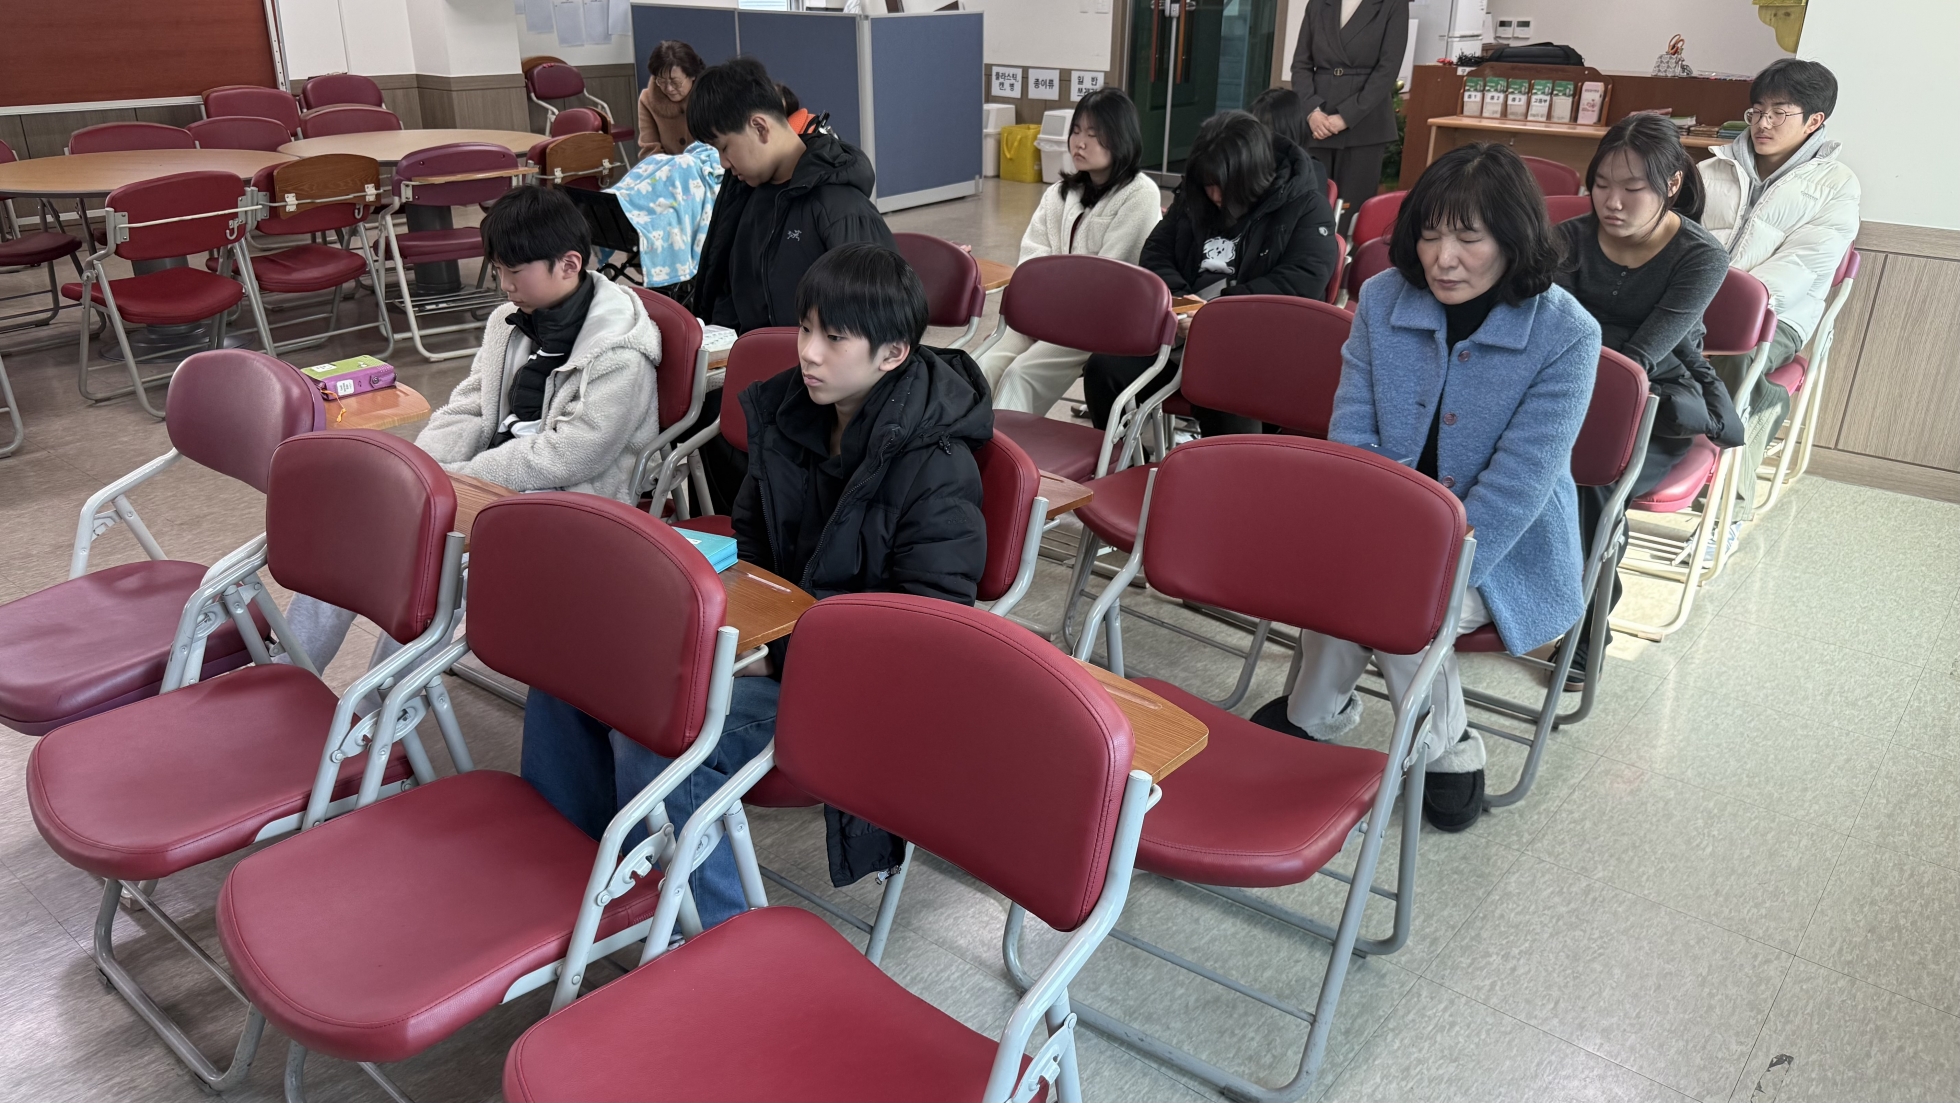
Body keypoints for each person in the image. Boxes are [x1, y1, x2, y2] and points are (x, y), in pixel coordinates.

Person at [521, 243, 991, 927]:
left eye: (834, 339)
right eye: (806, 329)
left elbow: (926, 628)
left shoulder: (938, 468)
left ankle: (718, 934)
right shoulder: (789, 412)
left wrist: (778, 649)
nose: (809, 353)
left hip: (855, 682)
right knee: (572, 673)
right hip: (772, 643)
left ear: (891, 354)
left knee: (659, 734)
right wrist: (727, 628)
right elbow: (754, 549)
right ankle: (586, 880)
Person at [1247, 142, 1599, 832]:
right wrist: (1382, 539)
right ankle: (1435, 740)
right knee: (1348, 583)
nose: (1444, 258)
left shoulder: (1566, 333)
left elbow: (1520, 485)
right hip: (1382, 520)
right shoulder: (1383, 299)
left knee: (1403, 604)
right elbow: (1352, 432)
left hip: (1507, 543)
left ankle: (1342, 721)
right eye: (1431, 235)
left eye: (1469, 238)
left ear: (1514, 240)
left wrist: (1427, 566)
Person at [283, 186, 663, 669]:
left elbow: (570, 455)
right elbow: (468, 405)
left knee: (434, 565)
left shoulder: (621, 353)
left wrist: (460, 480)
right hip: (488, 479)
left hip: (570, 499)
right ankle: (286, 677)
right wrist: (427, 471)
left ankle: (382, 703)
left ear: (568, 265)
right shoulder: (509, 321)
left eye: (514, 272)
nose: (504, 285)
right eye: (498, 269)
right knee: (359, 529)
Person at [1557, 114, 1742, 686]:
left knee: (1595, 479)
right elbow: (1548, 330)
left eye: (1632, 188)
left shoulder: (1699, 255)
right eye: (1601, 184)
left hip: (1651, 400)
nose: (1612, 202)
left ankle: (1589, 624)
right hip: (1566, 387)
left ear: (1672, 184)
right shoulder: (1569, 237)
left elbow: (1640, 357)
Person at [685, 55, 895, 511]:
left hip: (821, 393)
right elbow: (725, 289)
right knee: (691, 408)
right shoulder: (747, 195)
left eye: (725, 147)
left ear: (760, 127)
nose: (723, 163)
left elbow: (878, 322)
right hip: (760, 378)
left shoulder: (838, 207)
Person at [1080, 110, 1339, 437]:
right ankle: (1126, 463)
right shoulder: (1195, 196)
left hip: (1249, 342)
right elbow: (1156, 253)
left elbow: (1301, 282)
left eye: (1224, 188)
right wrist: (1184, 304)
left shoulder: (1305, 204)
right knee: (1103, 370)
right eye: (1208, 186)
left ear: (1254, 176)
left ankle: (1228, 468)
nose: (1215, 196)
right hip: (1180, 330)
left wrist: (1215, 316)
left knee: (1224, 394)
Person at [1698, 59, 1860, 522]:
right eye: (1757, 111)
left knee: (1738, 358)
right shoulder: (1710, 170)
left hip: (1778, 316)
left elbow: (1803, 266)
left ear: (1814, 121)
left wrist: (1734, 306)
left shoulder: (1836, 185)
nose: (1763, 123)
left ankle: (1728, 510)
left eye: (1779, 112)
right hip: (1695, 304)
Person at [979, 87, 1161, 416]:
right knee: (980, 366)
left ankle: (1004, 448)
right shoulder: (1060, 193)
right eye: (1076, 131)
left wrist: (1056, 305)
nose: (1080, 142)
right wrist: (1042, 308)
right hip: (1044, 314)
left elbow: (1110, 275)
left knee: (1020, 376)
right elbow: (1032, 261)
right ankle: (960, 443)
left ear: (1121, 138)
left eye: (1093, 134)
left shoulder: (1140, 194)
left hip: (1099, 323)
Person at [1288, 0, 1410, 232]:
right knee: (1308, 207)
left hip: (1364, 123)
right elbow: (1301, 64)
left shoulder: (1392, 4)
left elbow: (1388, 69)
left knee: (1351, 217)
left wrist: (1346, 116)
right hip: (1317, 123)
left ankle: (1345, 257)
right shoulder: (1318, 3)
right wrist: (1312, 111)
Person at [637, 40, 705, 159]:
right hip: (667, 167)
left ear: (692, 75)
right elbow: (650, 150)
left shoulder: (711, 95)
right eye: (661, 81)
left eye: (675, 82)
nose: (669, 88)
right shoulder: (647, 101)